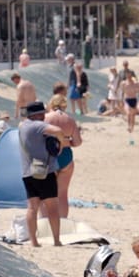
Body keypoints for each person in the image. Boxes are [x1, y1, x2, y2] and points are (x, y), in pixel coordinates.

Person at [18, 100, 70, 248]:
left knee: (32, 208)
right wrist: (60, 146)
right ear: (39, 114)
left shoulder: (22, 126)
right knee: (52, 206)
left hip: (27, 172)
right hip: (44, 172)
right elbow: (58, 131)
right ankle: (56, 240)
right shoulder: (37, 125)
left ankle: (34, 241)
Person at [44, 93, 83, 227]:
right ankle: (63, 224)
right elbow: (77, 142)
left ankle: (45, 223)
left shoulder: (45, 118)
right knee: (62, 193)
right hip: (66, 156)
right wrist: (67, 142)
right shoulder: (70, 120)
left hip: (49, 156)